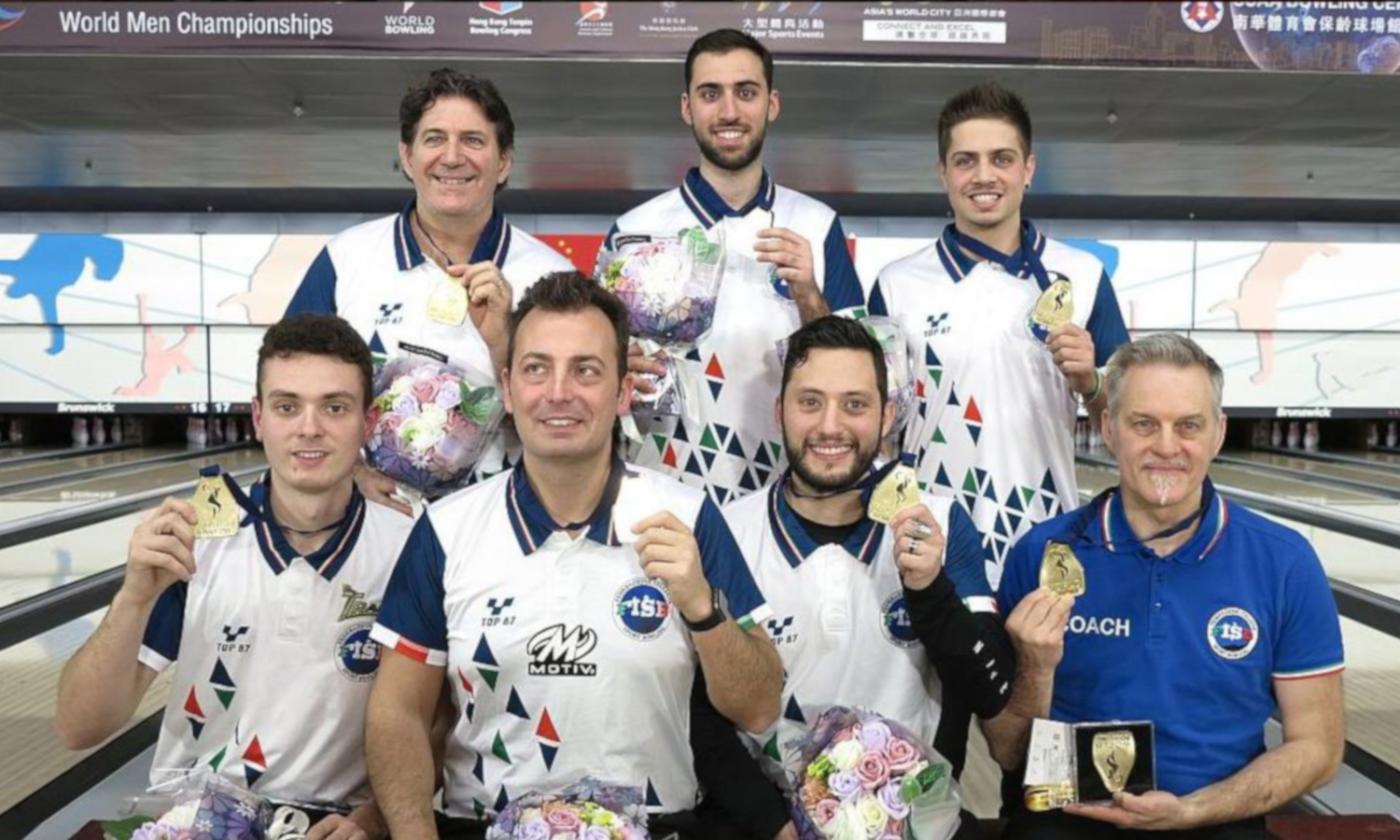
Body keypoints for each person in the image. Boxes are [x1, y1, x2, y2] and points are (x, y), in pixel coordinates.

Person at [364, 271, 783, 840]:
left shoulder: (688, 517)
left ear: (622, 392)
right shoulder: (445, 530)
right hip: (484, 825)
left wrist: (703, 607)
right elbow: (399, 716)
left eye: (586, 370)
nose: (559, 392)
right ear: (508, 389)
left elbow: (758, 707)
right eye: (537, 369)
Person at [55, 314, 418, 840]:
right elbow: (78, 727)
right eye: (287, 406)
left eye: (334, 407)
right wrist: (133, 598)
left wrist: (374, 819)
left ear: (368, 421)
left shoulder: (410, 547)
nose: (309, 427)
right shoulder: (196, 540)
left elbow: (435, 719)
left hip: (339, 824)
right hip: (199, 818)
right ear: (258, 417)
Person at [988, 334, 1345, 839]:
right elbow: (1005, 749)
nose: (1167, 446)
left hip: (1218, 816)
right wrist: (1034, 667)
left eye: (1189, 426)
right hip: (1066, 817)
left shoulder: (1284, 562)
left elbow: (1319, 748)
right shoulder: (1041, 553)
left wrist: (1193, 810)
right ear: (1109, 428)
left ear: (1218, 433)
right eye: (1144, 423)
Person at [694, 316, 1013, 839]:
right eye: (810, 402)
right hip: (766, 824)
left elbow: (990, 691)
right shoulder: (724, 528)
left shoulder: (940, 520)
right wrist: (778, 825)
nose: (830, 426)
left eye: (855, 404)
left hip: (911, 821)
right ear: (779, 413)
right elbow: (702, 714)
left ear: (887, 415)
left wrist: (930, 590)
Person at [867, 81, 1130, 585]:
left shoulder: (1083, 276)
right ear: (942, 172)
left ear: (1028, 169)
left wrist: (1090, 383)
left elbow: (1129, 427)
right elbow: (878, 428)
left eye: (1001, 159)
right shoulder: (897, 285)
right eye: (965, 160)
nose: (983, 176)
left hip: (1045, 533)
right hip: (928, 539)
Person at [285, 68, 573, 510]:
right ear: (407, 155)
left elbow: (575, 418)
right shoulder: (345, 258)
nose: (452, 157)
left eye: (474, 141)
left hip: (503, 522)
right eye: (434, 138)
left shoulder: (551, 276)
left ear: (504, 162)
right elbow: (285, 388)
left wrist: (503, 341)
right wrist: (352, 472)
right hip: (370, 519)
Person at [604, 29, 865, 505]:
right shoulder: (634, 231)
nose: (729, 112)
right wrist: (617, 363)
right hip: (661, 494)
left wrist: (809, 295)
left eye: (746, 92)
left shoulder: (817, 225)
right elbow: (594, 367)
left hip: (789, 503)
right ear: (687, 107)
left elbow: (864, 384)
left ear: (772, 104)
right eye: (710, 94)